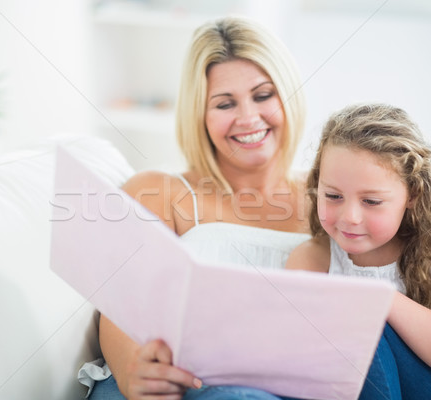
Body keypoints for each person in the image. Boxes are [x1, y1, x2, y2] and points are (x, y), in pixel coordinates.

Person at [85, 16, 311, 400]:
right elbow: (118, 305)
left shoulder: (333, 195)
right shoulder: (161, 191)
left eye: (263, 95)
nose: (248, 118)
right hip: (176, 380)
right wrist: (129, 370)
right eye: (225, 104)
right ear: (200, 116)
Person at [285, 102, 431, 399]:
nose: (350, 216)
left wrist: (382, 300)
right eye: (333, 196)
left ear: (412, 195)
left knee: (366, 322)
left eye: (371, 201)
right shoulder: (313, 259)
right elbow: (292, 351)